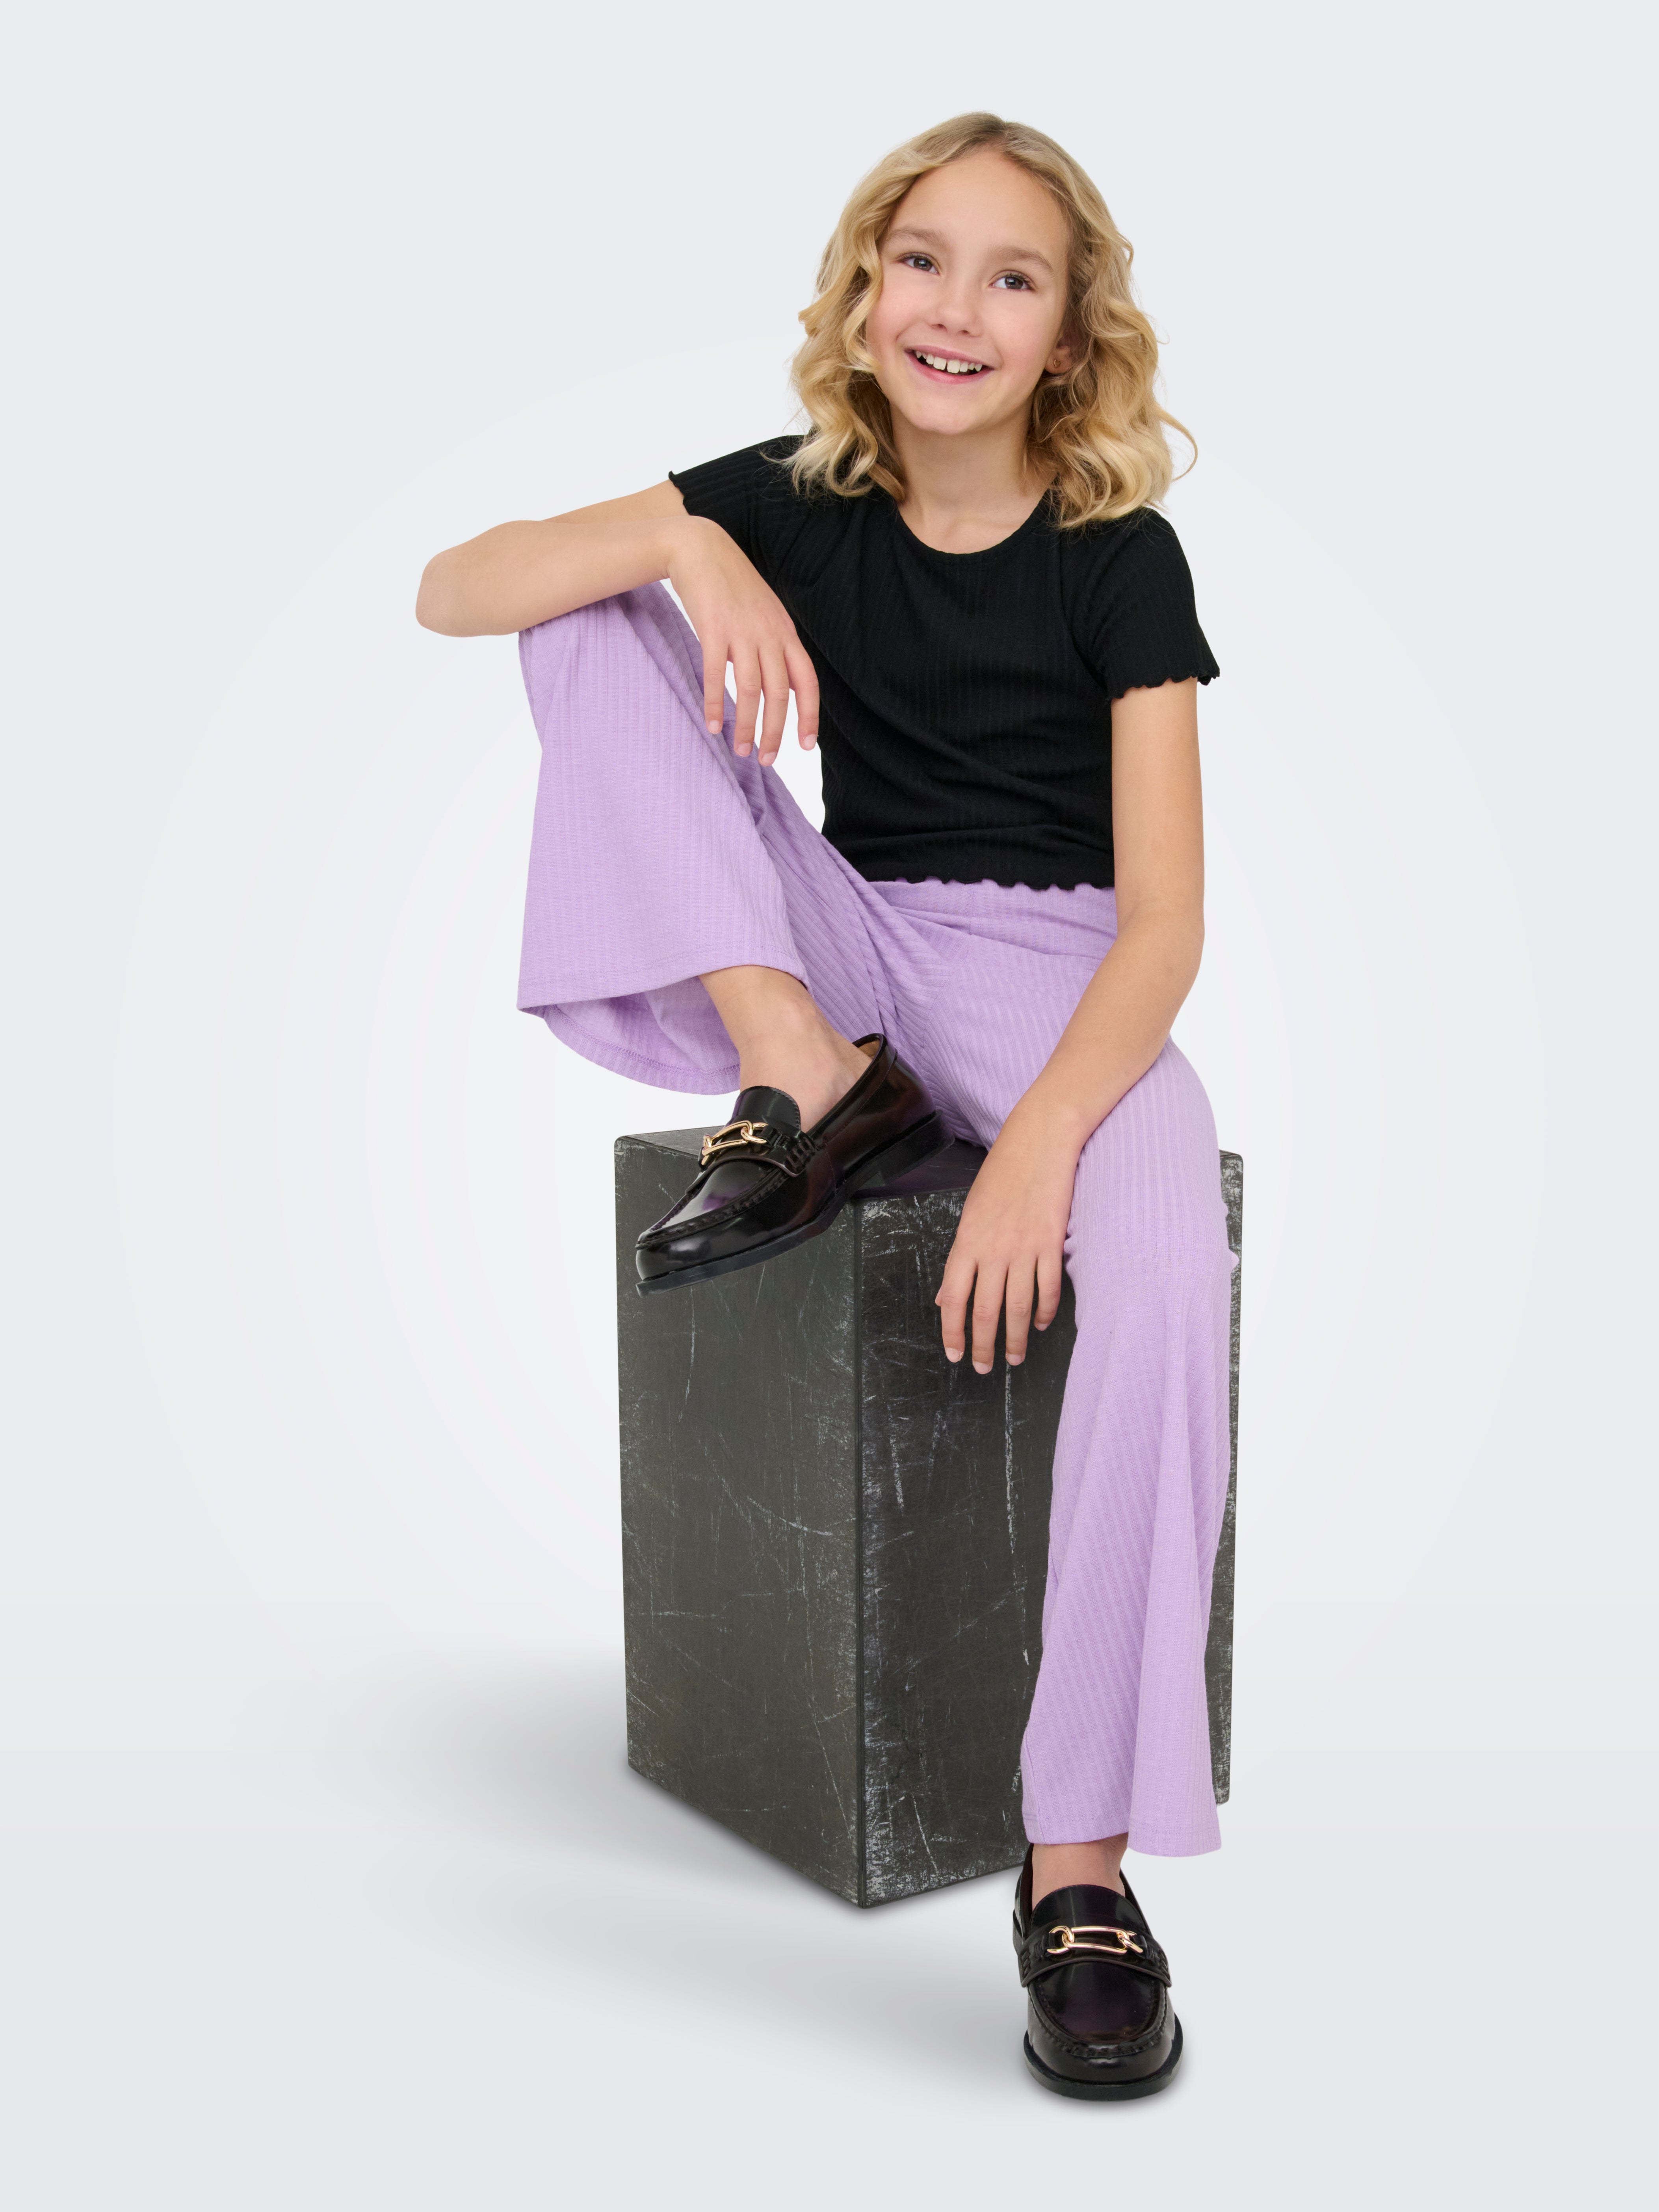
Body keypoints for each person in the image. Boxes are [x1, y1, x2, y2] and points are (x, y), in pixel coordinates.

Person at [417, 112, 1231, 2100]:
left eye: (1013, 277)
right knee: (580, 612)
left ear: (1066, 335)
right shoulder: (794, 497)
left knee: (1164, 1273)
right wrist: (684, 544)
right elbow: (453, 583)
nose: (957, 308)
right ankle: (807, 1080)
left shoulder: (1119, 556)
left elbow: (1168, 921)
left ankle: (1080, 1868)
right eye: (921, 260)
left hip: (1064, 972)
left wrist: (1039, 1147)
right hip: (845, 947)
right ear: (867, 292)